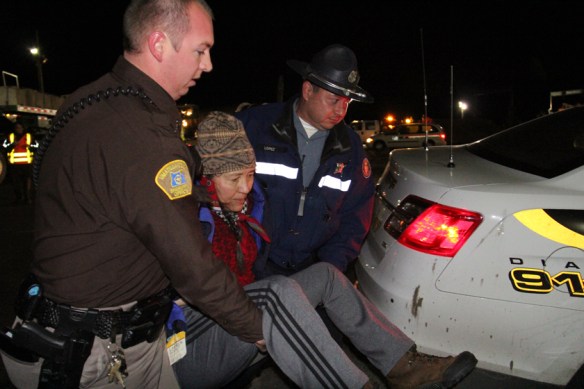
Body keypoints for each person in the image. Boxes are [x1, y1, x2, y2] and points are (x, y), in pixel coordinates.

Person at [0, 1, 265, 388]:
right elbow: (193, 266)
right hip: (100, 355)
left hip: (83, 332)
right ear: (159, 44)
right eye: (200, 50)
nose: (207, 65)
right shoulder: (146, 138)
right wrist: (259, 329)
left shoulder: (89, 101)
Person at [170, 111, 478, 389]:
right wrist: (261, 322)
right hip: (188, 348)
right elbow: (208, 291)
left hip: (241, 318)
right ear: (207, 177)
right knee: (278, 294)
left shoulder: (245, 209)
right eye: (234, 178)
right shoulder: (190, 219)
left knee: (327, 275)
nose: (245, 187)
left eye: (251, 175)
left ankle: (403, 367)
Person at [235, 43, 375, 279]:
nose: (341, 110)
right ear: (308, 91)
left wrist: (328, 269)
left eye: (347, 103)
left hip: (313, 269)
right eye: (334, 100)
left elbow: (356, 215)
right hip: (251, 265)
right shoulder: (254, 127)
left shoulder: (350, 148)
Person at [1, 122, 38, 204]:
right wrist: (12, 145)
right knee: (16, 182)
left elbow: (37, 146)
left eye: (20, 128)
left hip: (26, 163)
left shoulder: (28, 137)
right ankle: (19, 197)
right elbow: (4, 146)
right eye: (17, 128)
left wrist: (29, 146)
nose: (19, 129)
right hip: (14, 164)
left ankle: (27, 197)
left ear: (23, 128)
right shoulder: (11, 137)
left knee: (26, 181)